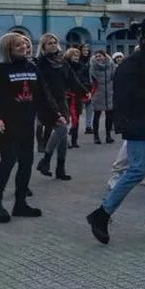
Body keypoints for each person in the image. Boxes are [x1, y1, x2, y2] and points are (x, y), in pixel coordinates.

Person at [86, 16, 145, 244]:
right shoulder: (134, 61)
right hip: (137, 122)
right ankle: (102, 214)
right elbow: (124, 93)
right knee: (138, 169)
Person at [0, 33, 62, 223]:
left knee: (26, 162)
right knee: (8, 160)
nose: (24, 47)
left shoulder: (32, 68)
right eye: (18, 44)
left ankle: (20, 203)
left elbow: (43, 94)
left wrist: (56, 115)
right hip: (6, 125)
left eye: (25, 44)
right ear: (7, 48)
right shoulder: (0, 70)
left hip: (26, 123)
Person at [36, 34, 87, 180]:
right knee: (62, 128)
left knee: (63, 136)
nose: (53, 45)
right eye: (49, 43)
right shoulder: (41, 62)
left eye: (55, 42)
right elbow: (41, 85)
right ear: (43, 46)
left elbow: (72, 79)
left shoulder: (62, 61)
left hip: (61, 100)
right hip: (47, 102)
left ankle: (60, 168)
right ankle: (45, 160)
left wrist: (84, 91)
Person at [90, 50, 116, 144]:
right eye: (96, 56)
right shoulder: (93, 67)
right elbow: (91, 80)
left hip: (109, 92)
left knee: (109, 115)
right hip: (98, 93)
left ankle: (108, 135)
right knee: (97, 115)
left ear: (104, 56)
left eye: (100, 56)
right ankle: (96, 136)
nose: (98, 58)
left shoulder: (111, 65)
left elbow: (114, 76)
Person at [77, 44, 93, 134]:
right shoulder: (78, 62)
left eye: (87, 50)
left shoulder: (90, 61)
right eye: (84, 50)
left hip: (90, 87)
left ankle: (88, 126)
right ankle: (74, 126)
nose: (86, 52)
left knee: (89, 107)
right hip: (81, 87)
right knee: (77, 108)